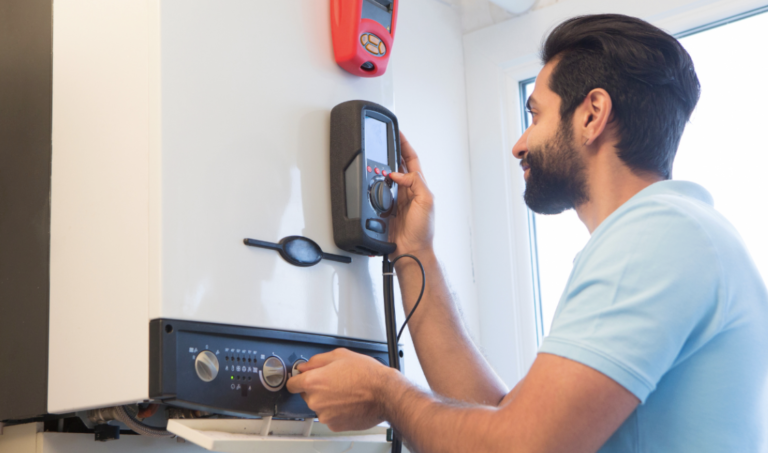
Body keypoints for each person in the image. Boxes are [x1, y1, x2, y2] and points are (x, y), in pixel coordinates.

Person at [287, 14, 768, 452]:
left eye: (535, 115)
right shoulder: (680, 234)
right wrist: (417, 252)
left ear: (591, 114)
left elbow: (519, 446)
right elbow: (500, 418)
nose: (519, 145)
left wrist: (386, 393)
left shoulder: (655, 237)